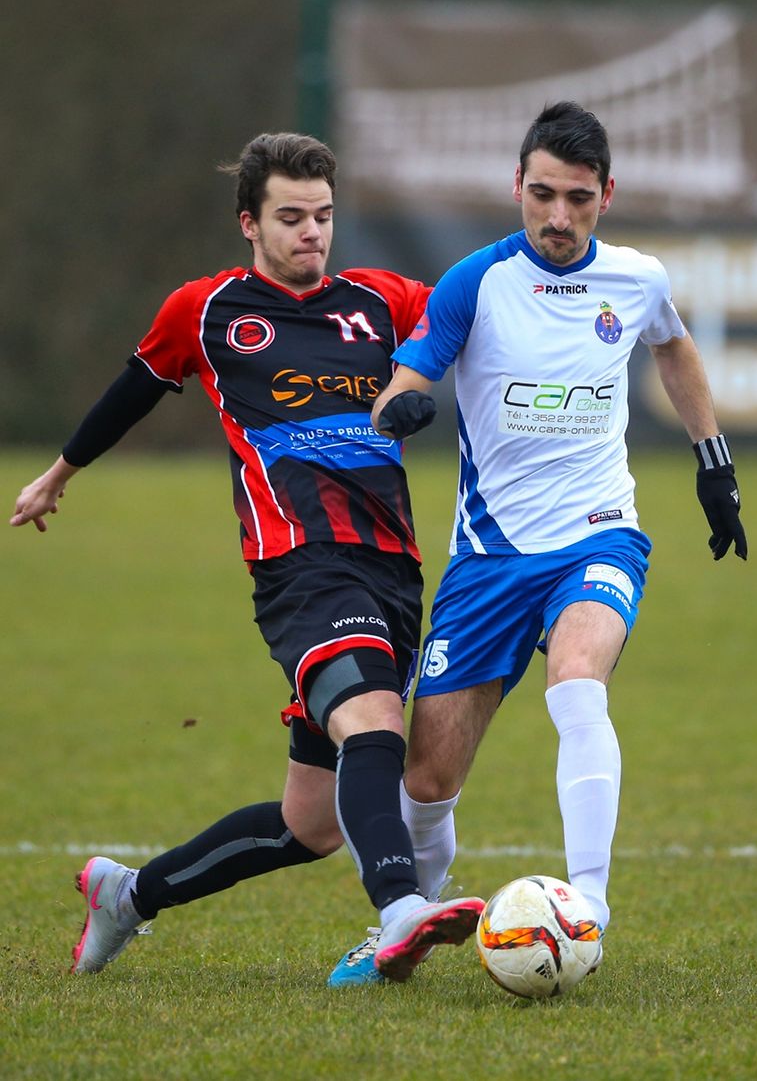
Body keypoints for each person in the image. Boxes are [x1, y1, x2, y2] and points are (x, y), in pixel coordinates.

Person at [10, 131, 484, 984]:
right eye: (292, 217)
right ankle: (400, 910)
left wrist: (416, 389)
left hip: (393, 569)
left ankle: (128, 895)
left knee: (310, 824)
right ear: (249, 224)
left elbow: (462, 323)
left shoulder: (384, 300)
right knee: (373, 718)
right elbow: (135, 387)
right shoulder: (205, 308)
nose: (313, 232)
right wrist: (57, 475)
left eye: (325, 216)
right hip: (299, 566)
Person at [330, 100, 748, 985]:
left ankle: (586, 906)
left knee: (577, 681)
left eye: (580, 199)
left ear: (607, 196)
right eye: (544, 195)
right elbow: (410, 374)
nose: (560, 217)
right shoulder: (474, 282)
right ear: (517, 186)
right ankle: (403, 929)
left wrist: (714, 463)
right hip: (489, 558)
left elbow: (673, 349)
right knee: (428, 779)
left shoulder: (636, 279)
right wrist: (400, 404)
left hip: (600, 535)